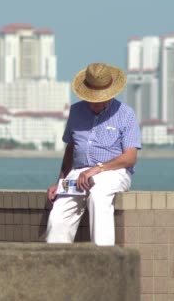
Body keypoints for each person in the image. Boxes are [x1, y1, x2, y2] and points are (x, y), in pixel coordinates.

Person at [46, 63, 141, 246]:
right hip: (78, 172)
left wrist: (97, 169)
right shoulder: (76, 111)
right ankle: (56, 262)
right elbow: (70, 149)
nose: (97, 102)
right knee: (58, 215)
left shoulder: (126, 114)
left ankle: (103, 258)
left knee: (98, 196)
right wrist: (60, 181)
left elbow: (130, 157)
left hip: (113, 171)